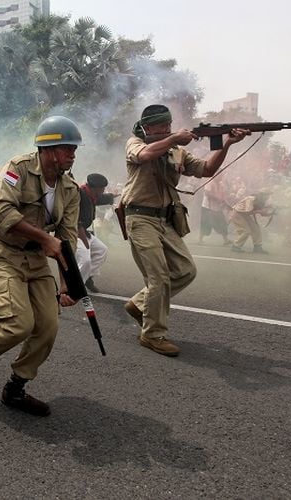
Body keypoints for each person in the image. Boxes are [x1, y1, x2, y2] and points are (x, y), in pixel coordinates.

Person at [0, 116, 82, 417]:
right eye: (67, 149)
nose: (73, 155)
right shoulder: (18, 168)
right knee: (17, 323)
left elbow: (67, 237)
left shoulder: (70, 188)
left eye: (74, 149)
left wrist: (68, 280)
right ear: (49, 149)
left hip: (37, 259)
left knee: (48, 327)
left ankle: (16, 387)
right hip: (4, 253)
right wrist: (44, 238)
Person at [122, 105, 249, 357]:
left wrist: (227, 144)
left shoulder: (176, 152)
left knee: (185, 270)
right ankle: (152, 335)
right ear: (148, 128)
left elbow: (207, 170)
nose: (167, 129)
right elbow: (144, 155)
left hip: (165, 219)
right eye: (161, 126)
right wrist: (173, 139)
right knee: (159, 277)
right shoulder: (135, 142)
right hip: (139, 217)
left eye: (169, 124)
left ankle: (139, 304)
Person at [76, 173, 116, 294]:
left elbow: (101, 199)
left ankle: (87, 276)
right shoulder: (78, 195)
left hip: (84, 231)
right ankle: (75, 287)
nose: (103, 191)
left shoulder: (91, 195)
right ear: (95, 188)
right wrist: (83, 237)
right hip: (74, 232)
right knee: (85, 259)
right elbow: (74, 219)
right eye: (102, 188)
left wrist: (112, 196)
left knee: (101, 250)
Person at [198, 175, 231, 245]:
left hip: (217, 207)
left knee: (222, 222)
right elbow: (207, 193)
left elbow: (222, 196)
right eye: (220, 175)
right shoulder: (209, 182)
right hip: (207, 207)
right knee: (205, 223)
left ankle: (226, 240)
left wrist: (227, 205)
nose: (221, 177)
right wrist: (217, 198)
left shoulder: (221, 184)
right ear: (216, 175)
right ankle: (200, 239)